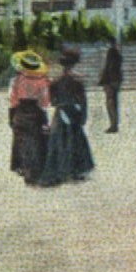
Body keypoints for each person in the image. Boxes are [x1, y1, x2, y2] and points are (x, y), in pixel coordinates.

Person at [41, 48, 95, 187]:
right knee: (75, 139)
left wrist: (60, 102)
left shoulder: (56, 82)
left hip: (61, 111)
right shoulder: (77, 80)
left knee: (59, 140)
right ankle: (76, 170)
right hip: (73, 112)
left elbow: (52, 101)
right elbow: (83, 101)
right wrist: (83, 115)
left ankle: (60, 170)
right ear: (73, 65)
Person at [8, 50, 50, 185]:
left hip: (20, 111)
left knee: (21, 140)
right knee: (37, 140)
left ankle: (23, 168)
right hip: (35, 112)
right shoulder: (42, 81)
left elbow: (12, 100)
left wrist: (11, 116)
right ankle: (36, 171)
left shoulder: (16, 81)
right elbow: (44, 102)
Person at [98, 35, 123, 132]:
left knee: (110, 103)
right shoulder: (118, 53)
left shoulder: (111, 52)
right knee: (114, 102)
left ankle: (113, 125)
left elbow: (109, 68)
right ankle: (115, 123)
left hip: (111, 81)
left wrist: (104, 81)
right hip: (116, 80)